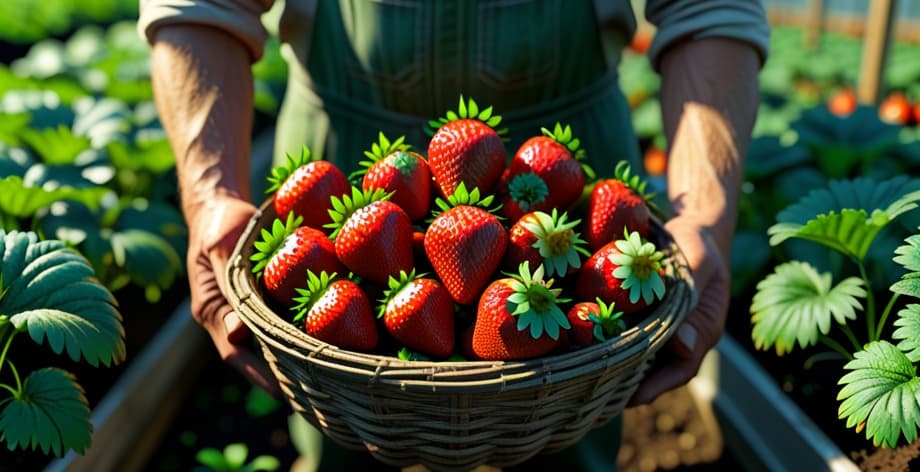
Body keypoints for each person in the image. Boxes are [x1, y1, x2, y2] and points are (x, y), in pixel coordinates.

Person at [139, 0, 768, 470]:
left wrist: (706, 211)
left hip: (560, 191)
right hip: (342, 182)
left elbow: (710, 4)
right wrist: (212, 195)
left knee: (567, 433)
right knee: (344, 438)